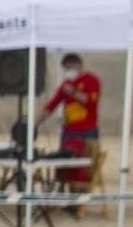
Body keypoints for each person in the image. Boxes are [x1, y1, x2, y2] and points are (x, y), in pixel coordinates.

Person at [42, 51, 103, 187]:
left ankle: (80, 199)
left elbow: (90, 101)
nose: (68, 72)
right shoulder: (66, 84)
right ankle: (67, 196)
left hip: (87, 132)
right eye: (66, 69)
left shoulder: (92, 80)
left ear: (78, 65)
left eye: (70, 68)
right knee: (66, 166)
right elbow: (52, 104)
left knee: (83, 168)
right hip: (68, 132)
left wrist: (73, 92)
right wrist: (36, 122)